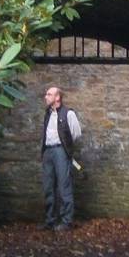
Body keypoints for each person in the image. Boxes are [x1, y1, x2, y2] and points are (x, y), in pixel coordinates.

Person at [40, 84, 82, 230]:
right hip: (48, 151)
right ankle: (50, 220)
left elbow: (76, 133)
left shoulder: (68, 113)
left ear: (57, 97)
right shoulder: (47, 113)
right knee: (48, 187)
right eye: (46, 94)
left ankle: (66, 221)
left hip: (61, 151)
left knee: (64, 186)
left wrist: (65, 147)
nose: (46, 97)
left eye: (49, 94)